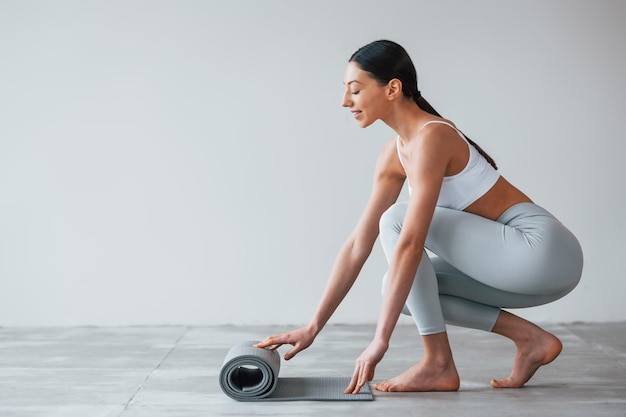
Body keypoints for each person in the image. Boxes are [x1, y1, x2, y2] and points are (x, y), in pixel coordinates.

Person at [255, 40, 583, 394]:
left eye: (355, 90)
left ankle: (437, 363)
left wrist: (381, 340)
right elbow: (357, 245)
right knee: (400, 286)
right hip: (520, 269)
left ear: (392, 88)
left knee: (398, 221)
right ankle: (529, 338)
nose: (345, 102)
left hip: (542, 251)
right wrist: (313, 326)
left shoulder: (434, 137)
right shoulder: (392, 155)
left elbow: (410, 241)